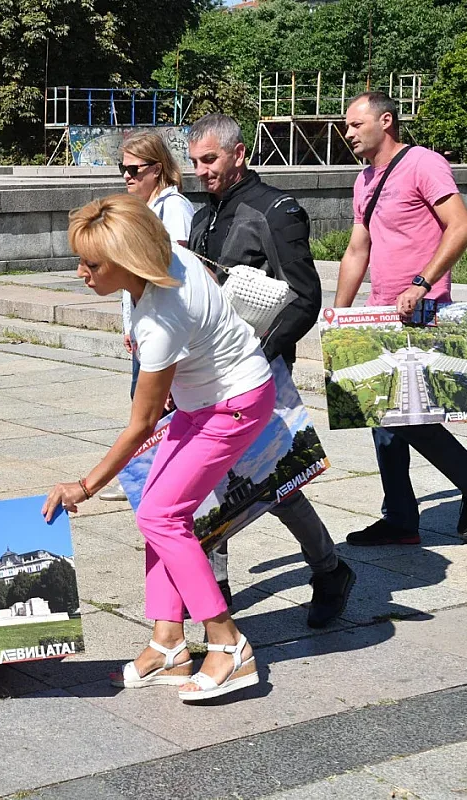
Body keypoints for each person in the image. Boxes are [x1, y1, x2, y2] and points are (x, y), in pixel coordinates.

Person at [43, 193, 273, 702]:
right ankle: (169, 643)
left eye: (92, 263)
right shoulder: (171, 257)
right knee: (156, 508)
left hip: (234, 404)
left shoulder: (161, 321)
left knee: (160, 515)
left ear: (127, 261)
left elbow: (140, 423)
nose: (81, 271)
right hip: (206, 401)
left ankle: (228, 643)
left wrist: (84, 486)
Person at [186, 113, 354, 628]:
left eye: (210, 160)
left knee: (272, 481)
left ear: (239, 154)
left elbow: (304, 298)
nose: (202, 171)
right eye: (195, 162)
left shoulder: (276, 210)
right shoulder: (200, 216)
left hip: (258, 373)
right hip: (203, 372)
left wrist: (260, 353)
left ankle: (329, 569)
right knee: (202, 482)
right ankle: (213, 586)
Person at [335, 92, 467, 545]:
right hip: (381, 309)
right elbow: (358, 249)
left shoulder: (423, 163)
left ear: (385, 121)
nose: (347, 133)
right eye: (346, 125)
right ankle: (402, 520)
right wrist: (340, 314)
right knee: (382, 417)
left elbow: (462, 226)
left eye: (355, 124)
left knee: (405, 418)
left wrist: (423, 282)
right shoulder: (363, 180)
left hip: (422, 307)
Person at [97, 131, 194, 503]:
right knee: (144, 400)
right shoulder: (147, 209)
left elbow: (173, 276)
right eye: (123, 168)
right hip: (146, 325)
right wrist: (130, 325)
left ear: (157, 169)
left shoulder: (173, 208)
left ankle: (145, 475)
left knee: (154, 404)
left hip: (165, 327)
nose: (127, 176)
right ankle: (145, 472)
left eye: (134, 169)